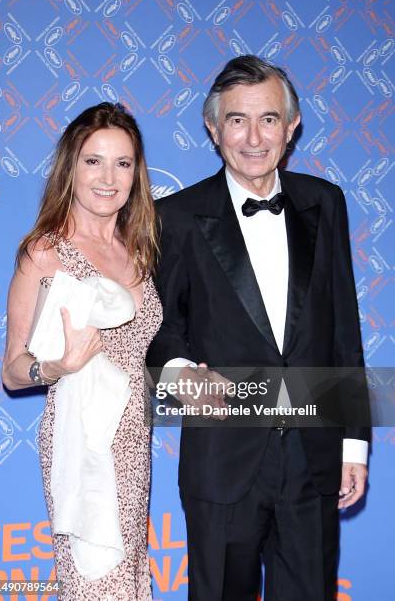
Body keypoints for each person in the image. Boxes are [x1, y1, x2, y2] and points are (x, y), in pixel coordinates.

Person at [147, 56, 370, 600]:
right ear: (213, 128)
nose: (253, 137)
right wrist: (180, 374)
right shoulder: (175, 217)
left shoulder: (326, 203)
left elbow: (343, 329)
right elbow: (158, 329)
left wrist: (353, 445)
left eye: (268, 119)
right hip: (223, 462)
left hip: (312, 461)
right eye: (237, 120)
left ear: (291, 127)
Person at [2, 102, 162, 600]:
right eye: (93, 161)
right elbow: (11, 370)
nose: (108, 177)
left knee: (129, 584)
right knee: (97, 582)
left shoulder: (139, 250)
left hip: (135, 440)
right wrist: (59, 365)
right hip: (83, 441)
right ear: (70, 167)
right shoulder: (45, 251)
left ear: (137, 174)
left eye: (123, 163)